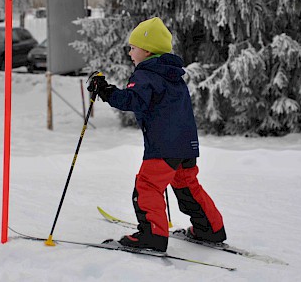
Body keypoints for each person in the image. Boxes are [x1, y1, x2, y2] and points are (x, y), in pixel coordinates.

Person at [91, 17, 226, 252]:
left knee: (147, 186)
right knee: (187, 186)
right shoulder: (173, 74)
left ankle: (152, 236)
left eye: (133, 48)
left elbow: (133, 100)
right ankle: (210, 229)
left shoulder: (146, 75)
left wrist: (105, 90)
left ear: (147, 49)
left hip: (163, 146)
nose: (130, 53)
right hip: (185, 144)